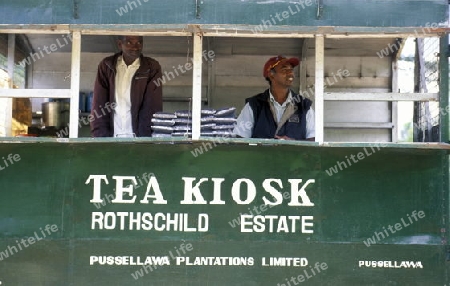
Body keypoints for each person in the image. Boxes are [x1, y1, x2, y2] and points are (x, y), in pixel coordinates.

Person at [90, 35, 163, 137]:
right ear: (120, 44)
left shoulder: (151, 67)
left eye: (139, 42)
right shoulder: (107, 66)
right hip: (112, 138)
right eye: (129, 43)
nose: (135, 47)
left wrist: (145, 139)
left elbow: (152, 106)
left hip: (138, 139)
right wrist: (100, 137)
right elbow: (99, 104)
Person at [233, 55, 315, 141]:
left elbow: (314, 139)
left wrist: (294, 144)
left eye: (291, 69)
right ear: (271, 75)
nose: (290, 73)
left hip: (296, 155)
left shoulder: (304, 105)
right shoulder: (254, 105)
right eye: (284, 70)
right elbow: (240, 138)